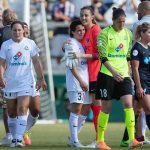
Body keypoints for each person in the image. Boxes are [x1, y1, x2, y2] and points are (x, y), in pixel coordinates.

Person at [95, 7, 143, 150]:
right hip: (107, 75)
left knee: (129, 104)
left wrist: (129, 72)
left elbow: (128, 56)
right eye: (119, 22)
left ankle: (132, 139)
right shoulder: (104, 34)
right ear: (113, 21)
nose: (122, 24)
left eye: (124, 21)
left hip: (124, 75)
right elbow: (102, 57)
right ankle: (100, 141)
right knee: (106, 108)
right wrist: (114, 72)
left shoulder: (128, 34)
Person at [0, 21, 47, 147]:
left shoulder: (30, 44)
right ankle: (15, 137)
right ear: (11, 31)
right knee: (11, 112)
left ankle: (18, 139)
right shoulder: (6, 45)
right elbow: (2, 64)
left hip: (26, 82)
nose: (17, 32)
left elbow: (36, 62)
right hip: (10, 82)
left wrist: (41, 78)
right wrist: (1, 77)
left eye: (19, 30)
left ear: (23, 30)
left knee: (22, 108)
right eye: (14, 30)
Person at [69, 6, 102, 148]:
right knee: (87, 107)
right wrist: (66, 45)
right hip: (87, 76)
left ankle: (99, 140)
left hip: (96, 75)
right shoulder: (84, 31)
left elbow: (100, 54)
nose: (83, 18)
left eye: (86, 15)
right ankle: (73, 138)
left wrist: (81, 55)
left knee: (97, 107)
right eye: (81, 15)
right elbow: (75, 46)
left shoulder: (96, 31)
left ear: (92, 16)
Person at [120, 1, 150, 146]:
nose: (137, 12)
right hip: (143, 73)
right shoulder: (141, 29)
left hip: (142, 70)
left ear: (144, 10)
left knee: (138, 107)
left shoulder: (139, 25)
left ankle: (134, 137)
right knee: (143, 106)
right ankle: (134, 137)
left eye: (138, 10)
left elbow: (134, 52)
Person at [64, 19, 92, 148]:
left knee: (86, 109)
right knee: (77, 109)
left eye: (83, 30)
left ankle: (73, 137)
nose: (81, 32)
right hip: (76, 82)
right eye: (78, 30)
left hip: (84, 81)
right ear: (73, 32)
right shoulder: (71, 44)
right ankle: (75, 140)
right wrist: (81, 81)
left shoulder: (80, 44)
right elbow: (71, 66)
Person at [0, 8, 17, 146]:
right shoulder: (21, 31)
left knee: (6, 105)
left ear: (4, 19)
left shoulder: (2, 32)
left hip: (4, 74)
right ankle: (21, 134)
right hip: (21, 74)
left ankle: (10, 135)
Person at [131, 22, 150, 144]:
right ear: (142, 33)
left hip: (148, 82)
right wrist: (138, 87)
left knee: (137, 111)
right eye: (149, 32)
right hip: (142, 84)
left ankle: (138, 138)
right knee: (148, 109)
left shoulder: (148, 48)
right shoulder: (136, 49)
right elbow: (135, 69)